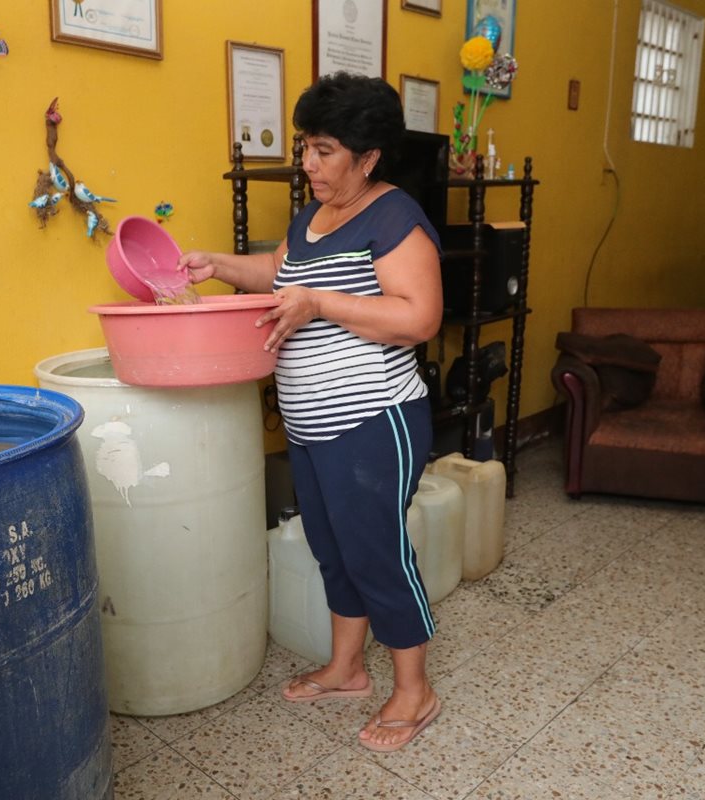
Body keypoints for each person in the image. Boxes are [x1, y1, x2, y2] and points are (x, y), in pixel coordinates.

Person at [178, 72, 444, 752]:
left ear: (368, 157)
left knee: (378, 553)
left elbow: (420, 317)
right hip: (313, 427)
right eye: (306, 147)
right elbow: (279, 273)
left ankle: (415, 692)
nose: (308, 164)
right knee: (333, 550)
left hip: (374, 421)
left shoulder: (393, 217)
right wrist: (214, 264)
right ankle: (347, 666)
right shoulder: (312, 216)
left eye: (324, 151)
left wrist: (320, 303)